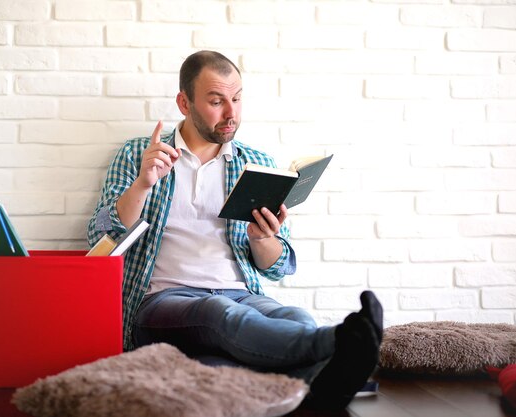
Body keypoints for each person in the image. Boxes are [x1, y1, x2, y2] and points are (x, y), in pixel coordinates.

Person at [87, 50, 383, 410]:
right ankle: (341, 345)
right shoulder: (140, 154)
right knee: (219, 314)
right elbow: (101, 239)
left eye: (237, 99)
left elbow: (276, 266)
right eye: (216, 101)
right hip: (162, 300)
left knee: (294, 317)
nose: (231, 113)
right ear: (184, 102)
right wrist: (143, 185)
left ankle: (321, 380)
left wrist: (264, 238)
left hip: (239, 293)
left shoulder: (256, 164)